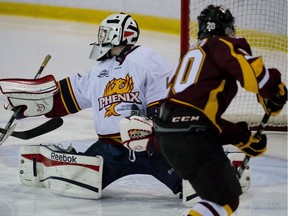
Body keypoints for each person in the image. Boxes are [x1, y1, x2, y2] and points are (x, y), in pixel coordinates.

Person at [0, 13, 182, 198]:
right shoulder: (99, 70)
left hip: (152, 150)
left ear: (120, 34)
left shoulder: (146, 58)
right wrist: (32, 104)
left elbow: (162, 103)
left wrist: (153, 125)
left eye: (105, 33)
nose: (100, 39)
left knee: (193, 185)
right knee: (72, 184)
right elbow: (68, 96)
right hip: (109, 151)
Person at [150, 4, 287, 216]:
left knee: (216, 201)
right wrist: (273, 88)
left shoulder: (194, 52)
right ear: (225, 28)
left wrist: (241, 136)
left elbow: (197, 117)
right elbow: (252, 73)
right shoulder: (221, 44)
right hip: (190, 134)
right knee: (225, 202)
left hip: (166, 134)